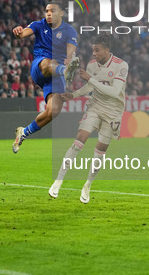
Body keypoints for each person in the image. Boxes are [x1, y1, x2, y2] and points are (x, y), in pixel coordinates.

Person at [49, 35, 128, 203]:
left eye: (97, 50)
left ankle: (87, 185)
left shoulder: (121, 66)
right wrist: (73, 95)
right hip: (95, 106)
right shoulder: (92, 65)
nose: (94, 53)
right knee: (79, 141)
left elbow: (114, 92)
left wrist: (90, 79)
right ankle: (58, 181)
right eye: (93, 50)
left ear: (107, 50)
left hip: (113, 112)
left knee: (99, 152)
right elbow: (90, 86)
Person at [11, 0, 79, 153]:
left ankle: (24, 132)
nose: (48, 14)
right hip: (40, 66)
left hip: (56, 75)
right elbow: (22, 34)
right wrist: (18, 32)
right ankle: (64, 70)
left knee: (53, 110)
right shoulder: (38, 25)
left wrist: (68, 58)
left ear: (61, 13)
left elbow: (71, 48)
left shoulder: (69, 31)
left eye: (52, 11)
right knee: (50, 63)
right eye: (47, 11)